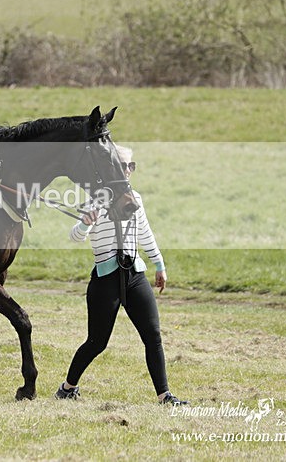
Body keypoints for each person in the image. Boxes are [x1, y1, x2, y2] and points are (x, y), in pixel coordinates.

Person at [55, 145, 187, 406]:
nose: (127, 170)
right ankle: (67, 388)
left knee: (153, 336)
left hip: (134, 275)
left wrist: (159, 264)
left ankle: (164, 396)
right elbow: (75, 236)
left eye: (130, 166)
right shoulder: (95, 199)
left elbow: (145, 232)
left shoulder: (134, 198)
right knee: (97, 342)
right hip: (105, 279)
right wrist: (85, 223)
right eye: (122, 165)